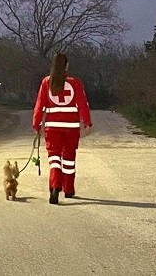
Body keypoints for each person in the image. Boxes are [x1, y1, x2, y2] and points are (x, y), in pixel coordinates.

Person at [33, 53, 92, 204]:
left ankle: (54, 186)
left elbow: (39, 105)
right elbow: (82, 103)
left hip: (52, 128)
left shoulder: (46, 82)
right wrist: (87, 123)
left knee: (54, 159)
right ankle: (69, 189)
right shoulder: (75, 83)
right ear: (66, 66)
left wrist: (37, 124)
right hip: (71, 128)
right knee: (69, 159)